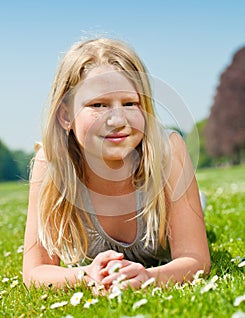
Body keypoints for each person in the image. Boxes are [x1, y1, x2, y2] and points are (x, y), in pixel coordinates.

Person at [22, 38, 210, 290]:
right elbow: (35, 271)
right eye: (98, 105)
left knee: (192, 210)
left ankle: (199, 200)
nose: (118, 120)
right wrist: (86, 276)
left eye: (130, 103)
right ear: (66, 115)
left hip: (165, 212)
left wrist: (150, 278)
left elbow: (195, 259)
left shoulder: (168, 150)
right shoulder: (52, 162)